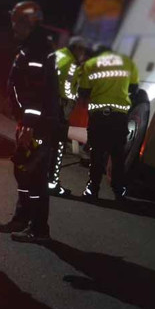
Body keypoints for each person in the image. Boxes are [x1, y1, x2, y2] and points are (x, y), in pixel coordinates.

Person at [0, 1, 60, 243]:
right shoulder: (31, 46)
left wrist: (29, 126)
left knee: (34, 176)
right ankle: (22, 218)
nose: (13, 26)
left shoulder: (37, 50)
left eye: (16, 21)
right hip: (30, 122)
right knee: (22, 171)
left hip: (37, 125)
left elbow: (35, 93)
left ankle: (38, 228)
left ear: (27, 23)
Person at [77, 45, 139, 200]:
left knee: (96, 154)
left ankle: (93, 189)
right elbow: (134, 88)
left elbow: (83, 92)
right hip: (119, 117)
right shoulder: (128, 62)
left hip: (99, 116)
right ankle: (119, 191)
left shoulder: (91, 64)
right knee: (117, 155)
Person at [48, 36, 88, 196]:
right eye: (82, 50)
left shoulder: (59, 54)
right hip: (59, 107)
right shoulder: (71, 63)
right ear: (77, 48)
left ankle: (41, 179)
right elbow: (66, 87)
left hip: (47, 105)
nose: (83, 53)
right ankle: (52, 183)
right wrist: (74, 97)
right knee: (58, 147)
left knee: (46, 145)